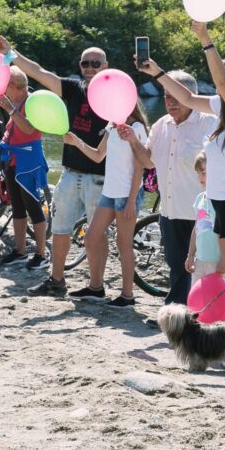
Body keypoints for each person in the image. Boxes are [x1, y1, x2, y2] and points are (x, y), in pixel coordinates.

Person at [140, 20, 225, 369]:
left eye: (222, 80)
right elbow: (184, 96)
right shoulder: (221, 109)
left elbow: (223, 84)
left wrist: (205, 39)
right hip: (224, 203)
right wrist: (157, 73)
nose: (217, 85)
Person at [0, 38, 109, 293]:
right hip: (70, 171)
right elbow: (40, 72)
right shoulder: (74, 89)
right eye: (85, 63)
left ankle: (97, 287)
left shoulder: (113, 93)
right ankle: (56, 281)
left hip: (99, 175)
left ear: (105, 65)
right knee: (62, 228)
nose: (90, 67)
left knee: (96, 235)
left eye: (95, 63)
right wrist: (11, 53)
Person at [123, 70, 215, 308]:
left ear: (190, 95)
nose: (171, 102)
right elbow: (147, 162)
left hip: (202, 213)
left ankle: (203, 311)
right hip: (170, 211)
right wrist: (133, 140)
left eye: (176, 95)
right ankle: (178, 313)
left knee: (205, 267)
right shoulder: (161, 125)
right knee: (177, 265)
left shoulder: (209, 122)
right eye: (166, 96)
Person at [64, 102, 150, 307]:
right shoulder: (111, 126)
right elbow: (97, 155)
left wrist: (131, 201)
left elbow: (140, 168)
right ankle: (96, 288)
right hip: (109, 192)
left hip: (127, 195)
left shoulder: (137, 129)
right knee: (91, 237)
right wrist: (77, 142)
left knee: (124, 244)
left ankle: (127, 296)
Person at [0, 67, 49, 269]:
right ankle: (20, 251)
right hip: (12, 160)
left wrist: (10, 109)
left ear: (12, 86)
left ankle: (41, 254)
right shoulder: (15, 102)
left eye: (5, 85)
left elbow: (29, 128)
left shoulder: (32, 102)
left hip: (28, 162)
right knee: (17, 206)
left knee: (33, 207)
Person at [185, 152, 221, 286]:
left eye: (204, 173)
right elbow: (197, 228)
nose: (200, 177)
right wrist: (190, 255)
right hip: (200, 260)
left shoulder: (221, 201)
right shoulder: (200, 199)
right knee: (198, 298)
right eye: (198, 173)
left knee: (218, 297)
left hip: (218, 262)